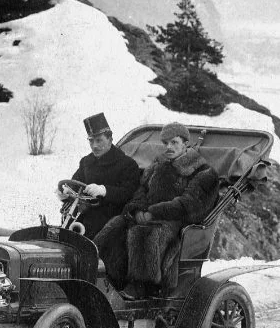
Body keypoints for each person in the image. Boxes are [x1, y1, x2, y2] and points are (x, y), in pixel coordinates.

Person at [94, 122, 221, 298]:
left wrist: (154, 212)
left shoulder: (203, 172)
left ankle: (140, 287)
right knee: (115, 226)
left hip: (178, 223)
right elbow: (141, 191)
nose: (169, 147)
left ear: (185, 144)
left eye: (174, 142)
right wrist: (137, 210)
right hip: (148, 217)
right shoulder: (157, 165)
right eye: (166, 143)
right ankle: (107, 279)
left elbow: (190, 204)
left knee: (145, 233)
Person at [57, 112, 141, 238]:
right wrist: (65, 192)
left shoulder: (127, 164)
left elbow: (129, 192)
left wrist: (104, 190)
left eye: (99, 140)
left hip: (111, 216)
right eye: (91, 141)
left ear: (110, 139)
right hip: (83, 212)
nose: (94, 145)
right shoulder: (86, 161)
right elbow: (74, 183)